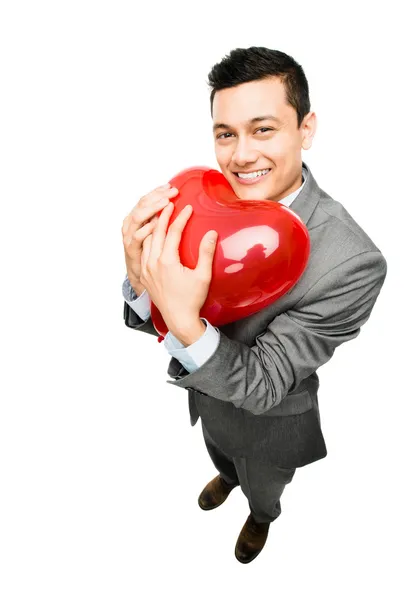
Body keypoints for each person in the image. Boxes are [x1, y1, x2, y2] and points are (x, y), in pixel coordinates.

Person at [121, 46, 387, 564]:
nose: (240, 155)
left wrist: (183, 319)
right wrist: (139, 277)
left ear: (305, 129)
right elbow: (156, 310)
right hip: (206, 397)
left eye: (263, 129)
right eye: (226, 133)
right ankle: (224, 475)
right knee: (221, 453)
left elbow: (265, 383)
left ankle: (260, 518)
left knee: (262, 484)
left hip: (272, 423)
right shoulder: (202, 195)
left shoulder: (353, 261)